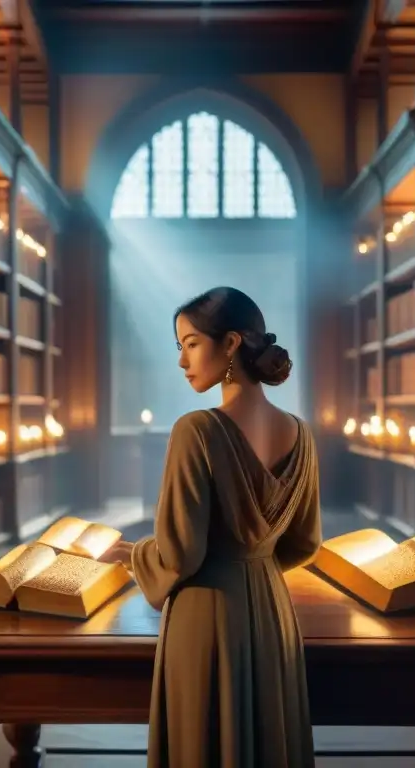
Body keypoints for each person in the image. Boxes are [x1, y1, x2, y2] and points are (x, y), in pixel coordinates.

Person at [106, 286, 322, 768]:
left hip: (205, 616)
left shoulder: (197, 430)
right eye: (179, 347)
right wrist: (254, 566)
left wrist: (133, 556)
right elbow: (306, 542)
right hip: (271, 613)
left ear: (230, 344)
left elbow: (179, 556)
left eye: (190, 343)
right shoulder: (300, 433)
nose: (182, 360)